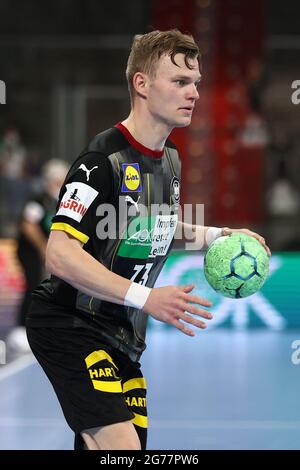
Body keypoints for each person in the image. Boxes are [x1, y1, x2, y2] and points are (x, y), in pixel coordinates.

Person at [26, 29, 270, 451]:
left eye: (196, 82)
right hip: (69, 323)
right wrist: (146, 297)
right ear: (141, 84)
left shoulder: (169, 159)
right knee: (122, 449)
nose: (193, 92)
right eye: (179, 82)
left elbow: (150, 227)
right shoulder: (101, 161)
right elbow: (60, 255)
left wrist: (217, 235)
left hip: (122, 333)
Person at [7, 159, 69, 353]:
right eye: (58, 182)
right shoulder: (38, 201)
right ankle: (21, 329)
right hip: (30, 252)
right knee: (33, 284)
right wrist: (43, 247)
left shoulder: (58, 202)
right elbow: (28, 225)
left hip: (48, 252)